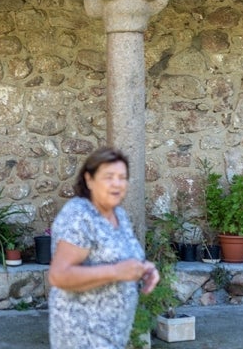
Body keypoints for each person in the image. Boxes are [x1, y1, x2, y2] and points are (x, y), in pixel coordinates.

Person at [48, 146, 160, 349]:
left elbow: (117, 258)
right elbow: (59, 275)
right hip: (82, 335)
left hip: (112, 334)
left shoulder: (119, 215)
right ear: (89, 179)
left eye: (122, 177)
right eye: (109, 176)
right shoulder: (80, 215)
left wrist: (143, 267)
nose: (117, 183)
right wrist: (116, 272)